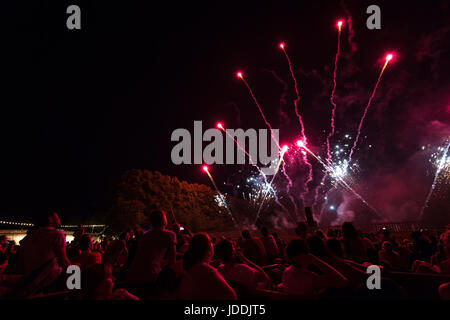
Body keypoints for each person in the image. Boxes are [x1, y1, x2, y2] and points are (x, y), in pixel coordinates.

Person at [177, 233, 237, 300]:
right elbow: (231, 296)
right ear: (208, 247)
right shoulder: (206, 271)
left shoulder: (190, 267)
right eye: (210, 241)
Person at [280, 239, 348, 297]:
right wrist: (315, 260)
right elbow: (342, 281)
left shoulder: (286, 274)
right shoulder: (309, 279)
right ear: (306, 254)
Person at [127, 210, 177, 285]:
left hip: (133, 275)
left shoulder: (145, 236)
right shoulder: (170, 235)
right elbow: (172, 260)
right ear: (164, 220)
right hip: (151, 275)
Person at [19, 211, 70, 276]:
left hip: (30, 276)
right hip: (48, 277)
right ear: (50, 219)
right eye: (58, 217)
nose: (59, 219)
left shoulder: (29, 236)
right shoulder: (57, 234)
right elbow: (64, 261)